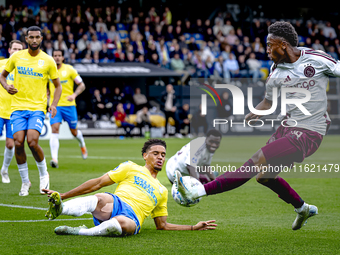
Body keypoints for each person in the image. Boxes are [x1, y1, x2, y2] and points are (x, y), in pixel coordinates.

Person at [176, 21, 338, 231]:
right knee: (264, 176)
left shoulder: (316, 59)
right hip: (287, 127)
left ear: (283, 44)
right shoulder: (276, 71)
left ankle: (198, 192)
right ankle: (303, 208)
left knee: (256, 160)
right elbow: (268, 101)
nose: (267, 50)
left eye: (270, 45)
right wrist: (256, 112)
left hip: (310, 131)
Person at [43, 139, 217, 236]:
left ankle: (81, 232)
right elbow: (97, 183)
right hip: (115, 204)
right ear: (145, 155)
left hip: (132, 218)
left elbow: (162, 225)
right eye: (155, 153)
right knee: (101, 198)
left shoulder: (163, 191)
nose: (160, 158)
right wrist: (63, 195)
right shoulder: (130, 167)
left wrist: (193, 227)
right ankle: (60, 208)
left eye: (163, 155)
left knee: (122, 224)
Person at [0, 26, 62, 196]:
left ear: (41, 39)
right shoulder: (17, 57)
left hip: (37, 108)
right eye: (31, 37)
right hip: (17, 108)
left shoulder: (48, 60)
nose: (34, 40)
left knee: (32, 142)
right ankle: (25, 182)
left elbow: (58, 86)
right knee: (18, 143)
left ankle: (44, 175)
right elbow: (2, 75)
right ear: (26, 39)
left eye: (37, 37)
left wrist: (54, 104)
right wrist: (6, 86)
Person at [49, 50, 87, 169]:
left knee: (74, 132)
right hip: (55, 106)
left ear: (63, 58)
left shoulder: (69, 69)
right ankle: (54, 159)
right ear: (52, 57)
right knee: (54, 129)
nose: (57, 58)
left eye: (59, 56)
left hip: (69, 106)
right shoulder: (48, 70)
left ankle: (82, 144)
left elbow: (82, 85)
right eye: (55, 56)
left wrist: (74, 95)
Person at [0, 40, 23, 183]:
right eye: (14, 48)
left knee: (10, 144)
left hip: (13, 112)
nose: (16, 51)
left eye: (19, 49)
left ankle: (4, 170)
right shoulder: (2, 65)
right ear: (9, 50)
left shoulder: (24, 68)